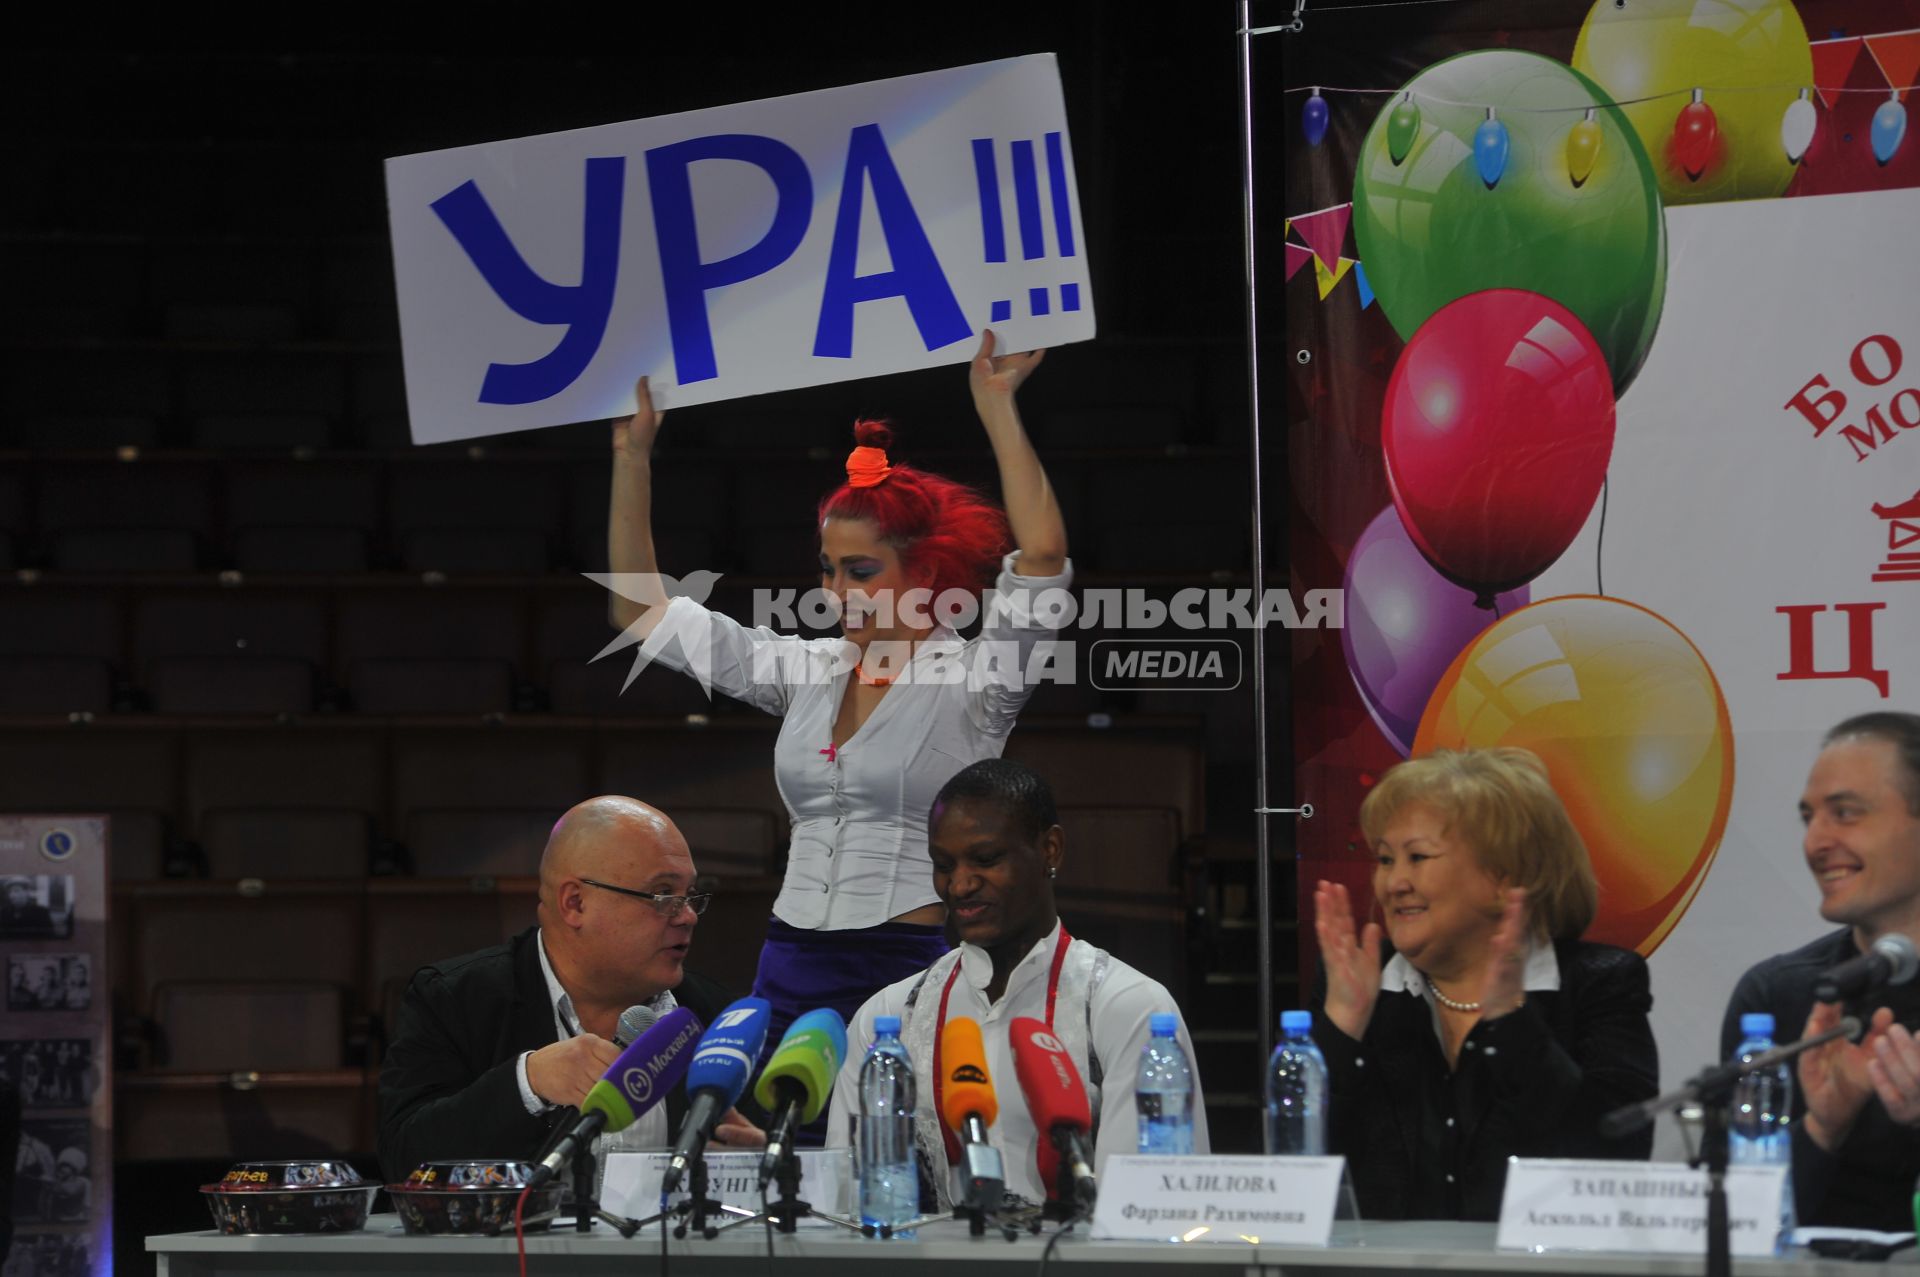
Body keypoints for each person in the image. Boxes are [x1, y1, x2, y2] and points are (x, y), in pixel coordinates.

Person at [607, 330, 1073, 1054]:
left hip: (902, 968)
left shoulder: (977, 681)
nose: (835, 591)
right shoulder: (804, 669)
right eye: (827, 569)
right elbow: (640, 611)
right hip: (785, 963)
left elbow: (1042, 557)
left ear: (924, 575)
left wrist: (995, 404)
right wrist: (631, 456)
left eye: (859, 570)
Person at [825, 759, 1208, 1210]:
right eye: (943, 864)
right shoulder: (887, 1018)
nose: (960, 885)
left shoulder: (1130, 1007)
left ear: (1050, 850)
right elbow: (848, 1202)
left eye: (986, 860)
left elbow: (1149, 1207)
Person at [1311, 747, 1658, 1221]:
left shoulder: (1599, 985)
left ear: (1504, 876)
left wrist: (1514, 1026)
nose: (1392, 883)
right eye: (1385, 860)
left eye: (1417, 857)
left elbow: (1615, 1158)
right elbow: (1298, 1176)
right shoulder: (1360, 987)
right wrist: (1341, 1031)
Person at [377, 795, 761, 1182]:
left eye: (690, 896)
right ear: (575, 903)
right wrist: (528, 1083)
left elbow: (758, 1178)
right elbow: (404, 1162)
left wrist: (751, 1166)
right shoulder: (456, 1000)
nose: (689, 915)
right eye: (663, 894)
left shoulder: (720, 1019)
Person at [1721, 711, 1920, 1231]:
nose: (1815, 843)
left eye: (1846, 814)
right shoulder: (1778, 996)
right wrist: (1821, 1129)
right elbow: (1735, 1228)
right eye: (1809, 818)